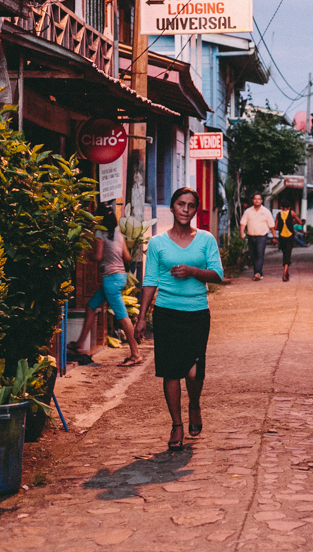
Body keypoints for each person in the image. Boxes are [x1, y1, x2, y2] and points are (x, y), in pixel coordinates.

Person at [135, 187, 224, 450]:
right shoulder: (157, 243)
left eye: (191, 205)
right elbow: (150, 281)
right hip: (166, 312)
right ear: (173, 206)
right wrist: (141, 317)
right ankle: (176, 425)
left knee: (194, 372)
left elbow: (217, 274)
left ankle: (194, 405)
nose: (185, 210)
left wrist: (193, 271)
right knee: (171, 370)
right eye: (181, 204)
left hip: (197, 312)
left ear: (196, 209)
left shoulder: (206, 239)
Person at [69, 210, 142, 366]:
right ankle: (80, 344)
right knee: (91, 307)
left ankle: (135, 354)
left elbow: (98, 256)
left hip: (111, 280)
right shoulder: (118, 234)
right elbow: (127, 257)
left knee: (122, 317)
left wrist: (85, 254)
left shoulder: (100, 233)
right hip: (119, 277)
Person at [239, 193, 276, 280]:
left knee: (260, 254)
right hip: (251, 236)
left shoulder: (266, 211)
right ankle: (258, 272)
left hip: (262, 237)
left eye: (259, 199)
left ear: (261, 201)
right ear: (253, 200)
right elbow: (243, 223)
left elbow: (271, 225)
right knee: (253, 255)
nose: (257, 201)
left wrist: (274, 236)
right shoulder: (248, 211)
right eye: (255, 199)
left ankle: (257, 273)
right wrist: (241, 233)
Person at [275, 202, 298, 282]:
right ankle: (285, 273)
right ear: (289, 207)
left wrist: (282, 226)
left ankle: (286, 271)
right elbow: (300, 222)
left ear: (281, 207)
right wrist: (294, 222)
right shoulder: (292, 213)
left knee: (285, 254)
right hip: (290, 236)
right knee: (288, 254)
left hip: (282, 237)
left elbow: (275, 227)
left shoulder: (278, 214)